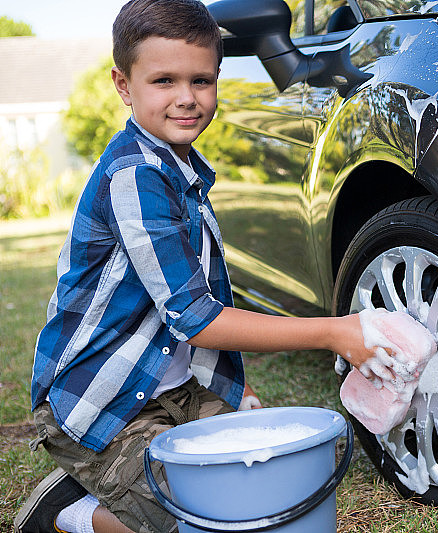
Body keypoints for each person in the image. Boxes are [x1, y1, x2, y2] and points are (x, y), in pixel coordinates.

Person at [13, 1, 392, 532]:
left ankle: (118, 481)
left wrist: (229, 390)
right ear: (124, 86)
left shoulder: (184, 169)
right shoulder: (135, 178)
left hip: (173, 388)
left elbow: (198, 300)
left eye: (202, 80)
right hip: (101, 402)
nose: (187, 98)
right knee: (204, 520)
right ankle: (74, 513)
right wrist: (334, 332)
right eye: (164, 80)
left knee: (257, 481)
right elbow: (194, 316)